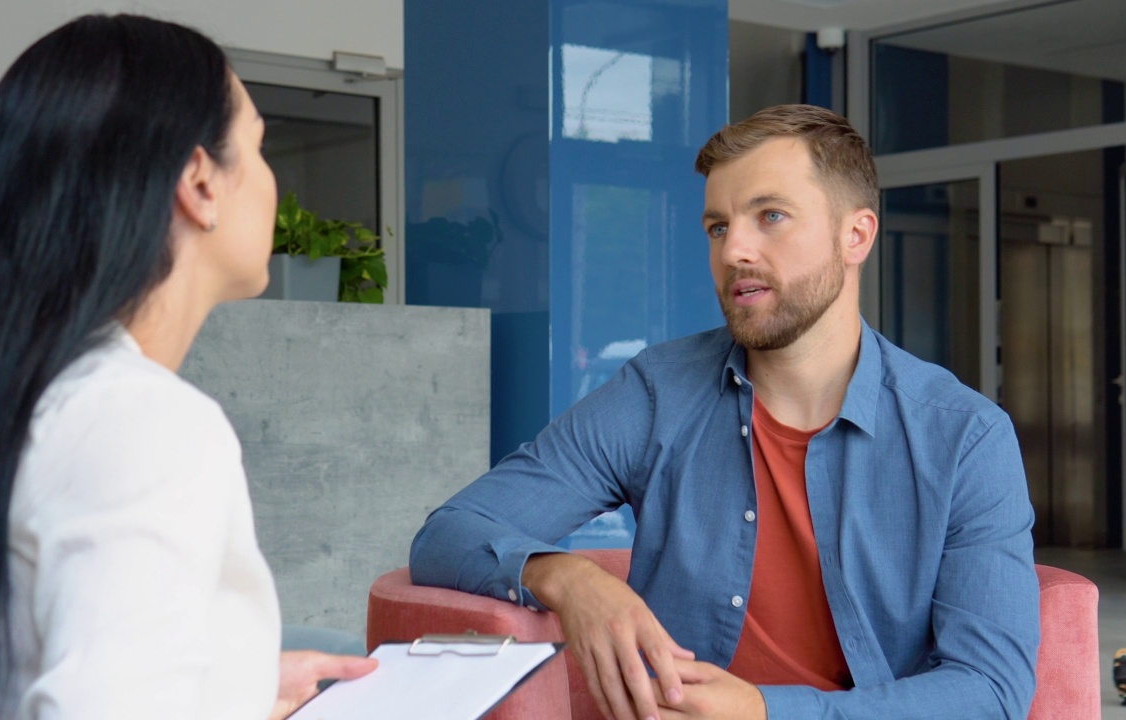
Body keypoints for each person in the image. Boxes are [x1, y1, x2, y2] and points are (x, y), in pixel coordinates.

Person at [411, 104, 1040, 720]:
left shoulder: (965, 436)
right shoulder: (657, 393)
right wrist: (568, 577)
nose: (734, 249)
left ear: (856, 236)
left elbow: (989, 691)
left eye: (771, 216)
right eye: (718, 226)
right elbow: (449, 533)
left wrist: (765, 711)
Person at [0, 15, 374, 720]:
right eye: (257, 144)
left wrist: (233, 686)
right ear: (199, 181)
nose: (271, 177)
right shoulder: (142, 424)